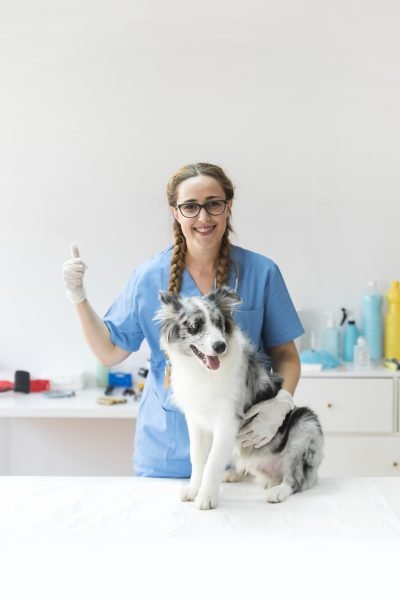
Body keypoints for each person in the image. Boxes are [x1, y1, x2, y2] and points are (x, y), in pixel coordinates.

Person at [63, 163, 304, 478]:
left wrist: (282, 402)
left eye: (213, 204)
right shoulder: (149, 278)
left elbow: (286, 355)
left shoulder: (262, 273)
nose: (203, 217)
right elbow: (109, 353)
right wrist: (78, 297)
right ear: (175, 212)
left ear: (228, 207)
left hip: (243, 458)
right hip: (165, 452)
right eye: (190, 206)